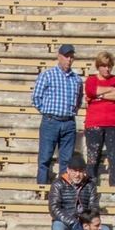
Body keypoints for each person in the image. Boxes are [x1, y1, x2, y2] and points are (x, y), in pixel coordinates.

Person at [29, 43, 82, 186]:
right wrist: (48, 112)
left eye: (71, 57)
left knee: (66, 160)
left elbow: (79, 100)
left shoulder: (77, 79)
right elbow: (36, 98)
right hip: (51, 121)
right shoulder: (47, 75)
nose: (69, 60)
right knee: (45, 157)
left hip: (69, 122)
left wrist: (71, 112)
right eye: (66, 57)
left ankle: (63, 190)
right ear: (59, 57)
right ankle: (41, 188)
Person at [82, 51, 115, 188]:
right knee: (93, 157)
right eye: (104, 66)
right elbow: (91, 91)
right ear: (98, 66)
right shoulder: (91, 80)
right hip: (94, 124)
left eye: (109, 66)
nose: (107, 69)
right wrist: (110, 90)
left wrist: (100, 95)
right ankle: (90, 187)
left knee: (114, 157)